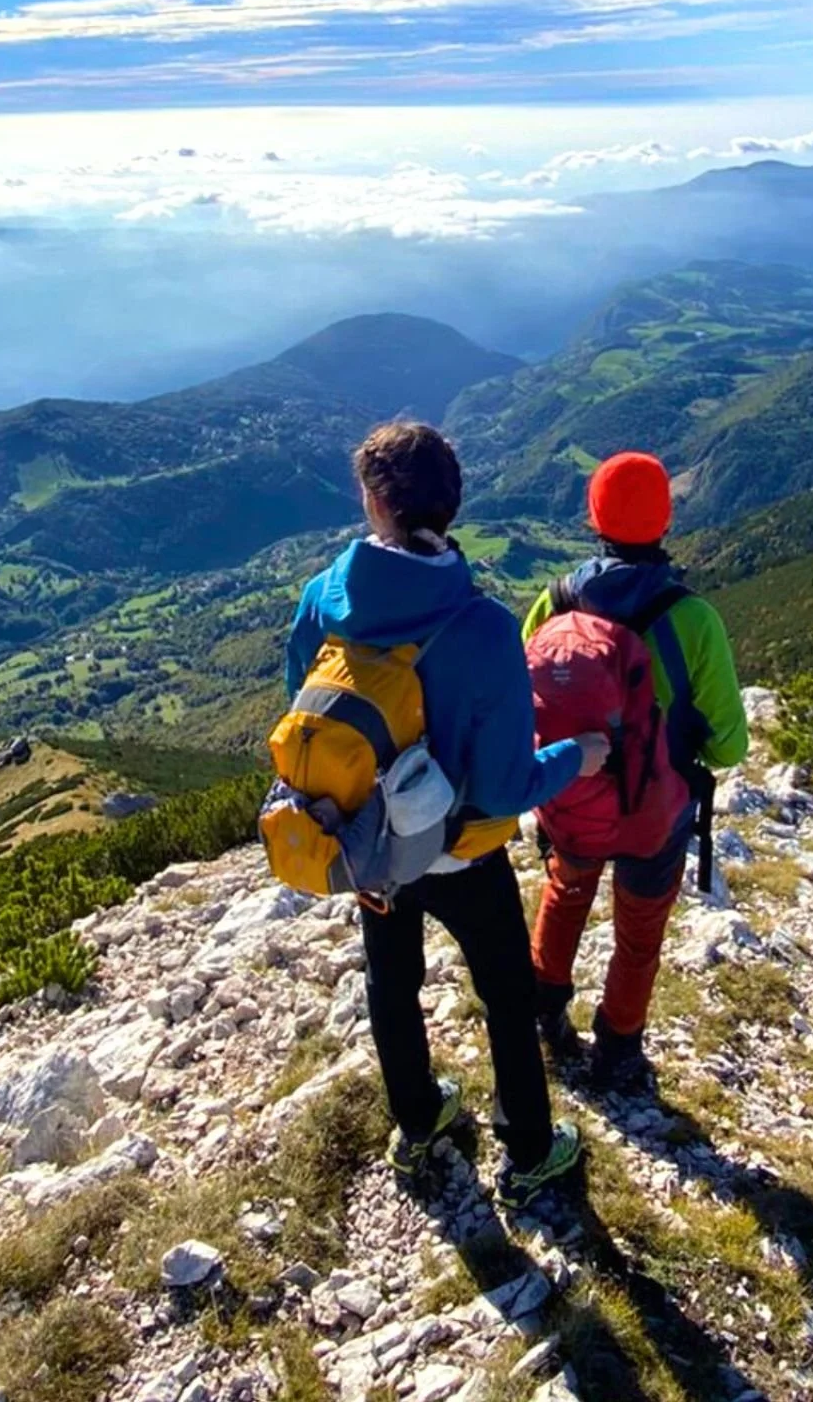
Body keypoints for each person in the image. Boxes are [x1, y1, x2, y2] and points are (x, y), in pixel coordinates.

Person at [285, 421, 603, 1208]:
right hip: (464, 855)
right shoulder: (486, 628)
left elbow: (306, 711)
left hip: (370, 846)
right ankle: (529, 1149)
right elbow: (501, 788)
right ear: (452, 509)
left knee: (392, 985)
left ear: (375, 502)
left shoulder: (322, 599)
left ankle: (419, 1119)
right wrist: (579, 757)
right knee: (503, 991)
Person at [521, 451, 749, 1089]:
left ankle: (544, 1015)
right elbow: (730, 746)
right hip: (655, 816)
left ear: (594, 516)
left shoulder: (554, 601)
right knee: (639, 932)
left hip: (571, 798)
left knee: (565, 895)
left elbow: (526, 698)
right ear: (665, 522)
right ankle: (618, 1049)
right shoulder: (693, 618)